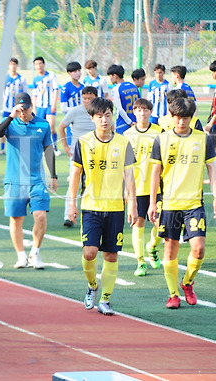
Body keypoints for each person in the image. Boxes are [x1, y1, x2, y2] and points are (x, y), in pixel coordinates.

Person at [147, 97, 216, 309]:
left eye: (186, 118)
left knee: (198, 249)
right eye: (178, 118)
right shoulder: (161, 140)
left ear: (192, 118)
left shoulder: (203, 139)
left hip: (194, 203)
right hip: (169, 204)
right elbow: (155, 173)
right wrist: (153, 203)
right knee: (170, 250)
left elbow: (212, 169)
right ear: (171, 117)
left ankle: (187, 282)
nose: (181, 122)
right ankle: (173, 294)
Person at [67, 97, 137, 316]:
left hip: (116, 207)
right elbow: (76, 175)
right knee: (89, 253)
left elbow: (129, 176)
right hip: (91, 206)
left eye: (108, 115)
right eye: (99, 116)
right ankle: (92, 286)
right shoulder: (83, 142)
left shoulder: (123, 143)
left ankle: (105, 299)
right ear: (92, 118)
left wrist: (132, 204)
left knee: (111, 256)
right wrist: (72, 204)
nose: (104, 120)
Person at [0, 92, 57, 269]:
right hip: (14, 181)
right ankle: (21, 255)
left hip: (36, 181)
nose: (23, 112)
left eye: (26, 108)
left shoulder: (42, 124)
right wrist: (10, 116)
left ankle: (35, 253)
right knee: (16, 220)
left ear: (32, 106)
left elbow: (49, 150)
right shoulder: (10, 123)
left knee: (40, 216)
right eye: (20, 109)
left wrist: (53, 175)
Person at [124, 98, 163, 277]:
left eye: (145, 110)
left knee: (161, 225)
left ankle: (152, 246)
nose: (142, 113)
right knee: (138, 224)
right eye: (138, 110)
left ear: (150, 112)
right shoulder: (127, 135)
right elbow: (125, 167)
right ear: (134, 112)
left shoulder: (160, 132)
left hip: (158, 188)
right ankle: (140, 262)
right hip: (137, 188)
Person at [58, 86, 98, 228]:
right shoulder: (75, 111)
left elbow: (110, 128)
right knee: (74, 184)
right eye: (85, 98)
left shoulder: (100, 112)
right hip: (77, 155)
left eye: (90, 98)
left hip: (96, 154)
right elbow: (61, 126)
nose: (87, 101)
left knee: (94, 184)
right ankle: (68, 215)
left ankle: (94, 215)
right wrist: (66, 147)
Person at [31, 56, 60, 152]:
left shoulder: (51, 75)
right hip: (39, 106)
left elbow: (56, 89)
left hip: (49, 105)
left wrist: (54, 104)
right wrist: (34, 108)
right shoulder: (35, 79)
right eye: (36, 64)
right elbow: (34, 95)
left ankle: (54, 147)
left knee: (51, 127)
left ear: (43, 64)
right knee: (40, 128)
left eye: (40, 63)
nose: (38, 66)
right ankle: (43, 148)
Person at [1, 58, 26, 153]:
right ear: (8, 65)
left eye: (14, 64)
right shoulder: (5, 78)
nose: (13, 66)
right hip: (7, 108)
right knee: (4, 126)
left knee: (20, 127)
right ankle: (2, 148)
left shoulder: (22, 79)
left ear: (17, 65)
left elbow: (25, 92)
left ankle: (20, 146)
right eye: (11, 64)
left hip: (18, 108)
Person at [107, 64, 139, 134]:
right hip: (136, 122)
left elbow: (120, 109)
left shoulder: (116, 89)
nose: (110, 78)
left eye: (110, 76)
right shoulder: (133, 86)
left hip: (123, 123)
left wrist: (129, 122)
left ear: (115, 76)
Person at [60, 62, 84, 151]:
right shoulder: (66, 88)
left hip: (82, 120)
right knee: (73, 148)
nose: (78, 73)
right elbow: (63, 108)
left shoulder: (83, 87)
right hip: (71, 121)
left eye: (79, 70)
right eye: (75, 71)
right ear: (69, 73)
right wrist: (77, 110)